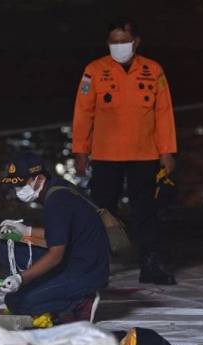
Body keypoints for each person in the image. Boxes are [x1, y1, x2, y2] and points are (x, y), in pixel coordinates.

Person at [72, 16, 177, 285]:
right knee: (102, 212)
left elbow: (163, 113)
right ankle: (97, 266)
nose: (119, 45)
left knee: (147, 213)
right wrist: (81, 151)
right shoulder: (94, 71)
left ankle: (150, 263)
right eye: (113, 41)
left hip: (145, 154)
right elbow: (83, 113)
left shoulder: (153, 70)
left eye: (124, 41)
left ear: (136, 41)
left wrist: (167, 151)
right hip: (106, 155)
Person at [0, 153, 110, 322]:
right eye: (15, 186)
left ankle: (81, 301)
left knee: (18, 302)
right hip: (79, 257)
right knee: (8, 243)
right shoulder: (57, 188)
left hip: (85, 270)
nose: (18, 191)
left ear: (38, 178)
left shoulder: (57, 201)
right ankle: (47, 288)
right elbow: (60, 234)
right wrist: (24, 231)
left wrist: (21, 278)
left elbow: (56, 255)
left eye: (22, 185)